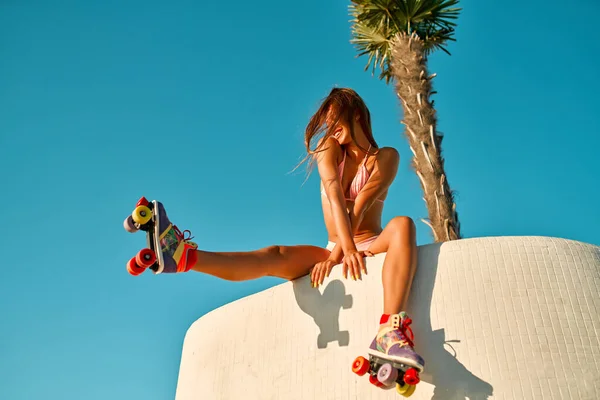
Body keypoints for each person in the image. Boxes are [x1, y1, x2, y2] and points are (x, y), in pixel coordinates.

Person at [137, 87, 424, 372]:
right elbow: (335, 194)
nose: (331, 128)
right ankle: (184, 256)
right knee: (276, 254)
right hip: (333, 247)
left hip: (369, 242)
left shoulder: (386, 157)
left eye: (335, 119)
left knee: (403, 224)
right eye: (327, 122)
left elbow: (359, 208)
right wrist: (338, 253)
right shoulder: (328, 148)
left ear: (357, 114)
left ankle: (389, 330)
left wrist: (345, 252)